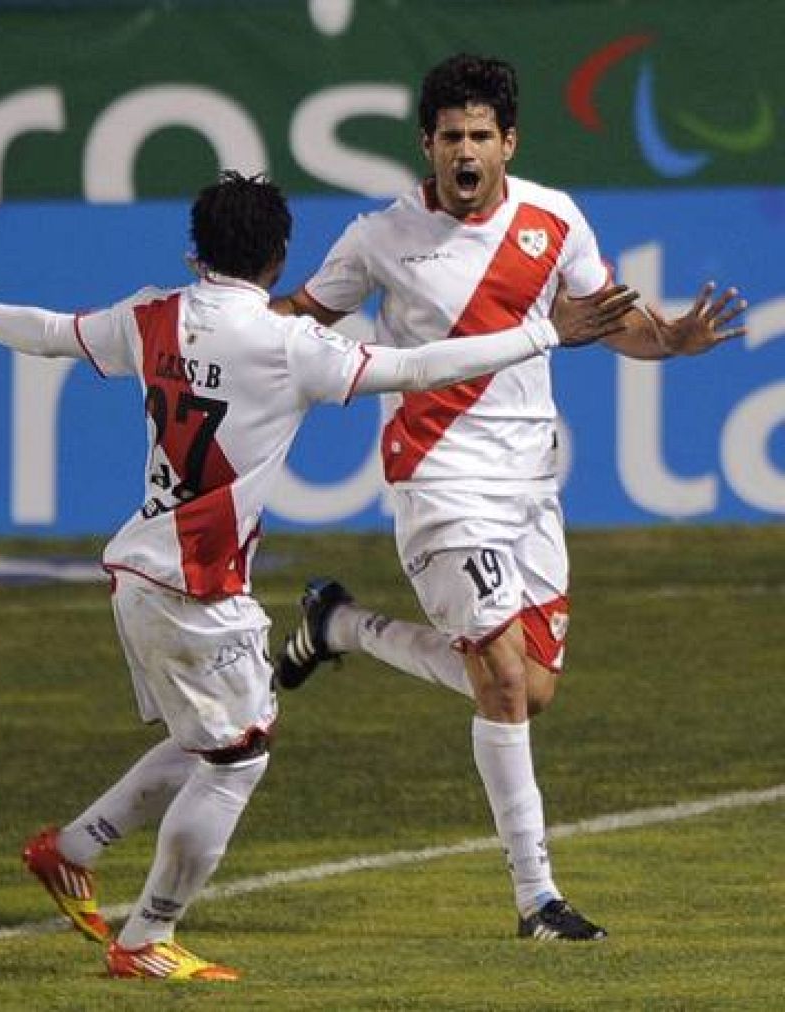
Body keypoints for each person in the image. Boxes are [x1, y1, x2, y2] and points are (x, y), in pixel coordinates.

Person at [0, 171, 636, 980]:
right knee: (238, 757)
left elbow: (47, 332)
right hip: (200, 590)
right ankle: (148, 937)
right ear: (279, 260)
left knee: (211, 733)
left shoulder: (153, 317)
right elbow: (422, 368)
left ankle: (71, 849)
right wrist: (542, 334)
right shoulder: (291, 348)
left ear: (194, 250)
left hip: (136, 571)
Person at [270, 53, 746, 941]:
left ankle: (339, 625)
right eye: (450, 135)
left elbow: (611, 320)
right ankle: (537, 900)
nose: (465, 150)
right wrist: (219, 323)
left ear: (508, 142)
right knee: (500, 687)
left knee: (534, 686)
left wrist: (671, 342)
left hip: (530, 486)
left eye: (480, 135)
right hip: (439, 483)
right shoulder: (381, 236)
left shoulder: (554, 218)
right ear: (426, 144)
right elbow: (303, 314)